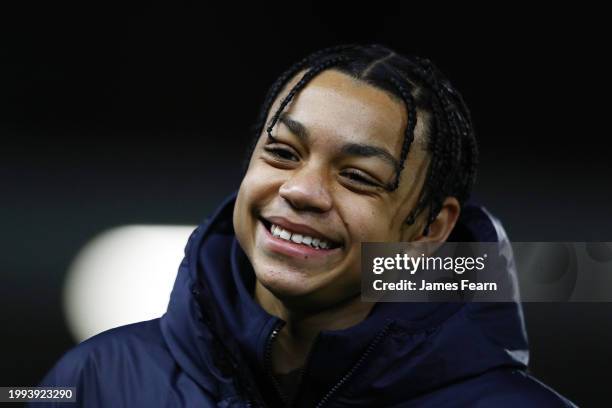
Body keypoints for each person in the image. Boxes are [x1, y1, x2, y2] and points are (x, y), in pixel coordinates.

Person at [35, 44, 576, 407]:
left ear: (430, 229)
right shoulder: (93, 380)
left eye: (358, 176)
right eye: (282, 152)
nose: (301, 191)